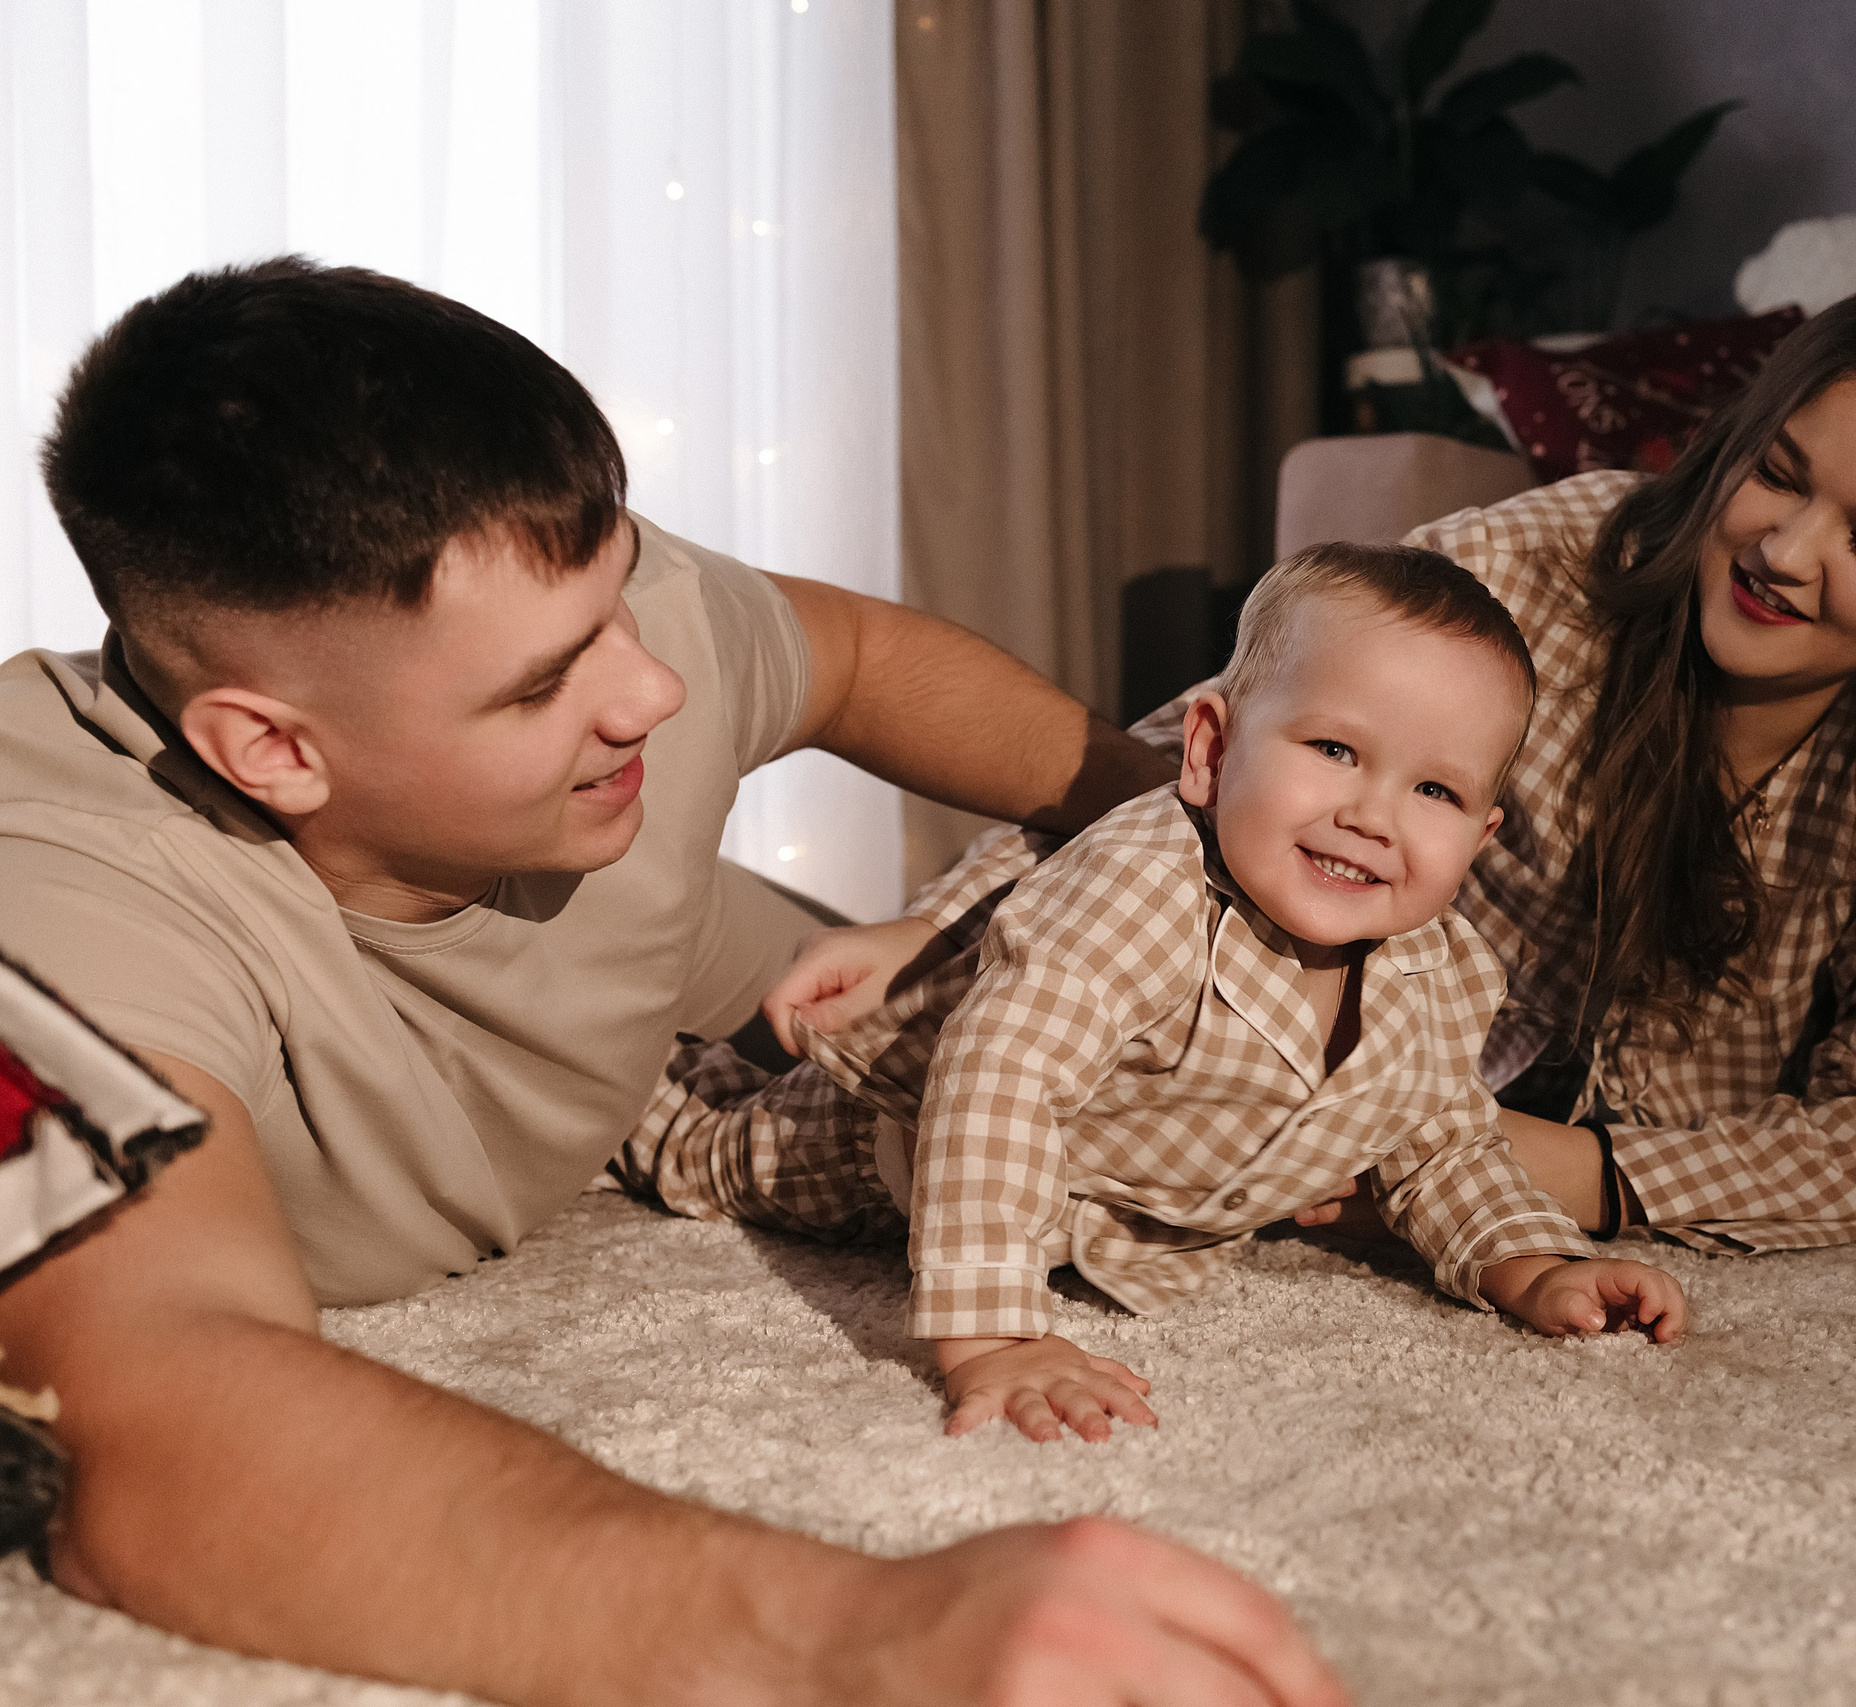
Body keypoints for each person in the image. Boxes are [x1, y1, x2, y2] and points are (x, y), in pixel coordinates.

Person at [0, 260, 1346, 1706]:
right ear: (273, 750)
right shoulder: (67, 889)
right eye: (538, 687)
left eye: (621, 594)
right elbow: (151, 1416)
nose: (648, 691)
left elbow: (858, 659)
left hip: (710, 988)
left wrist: (1198, 836)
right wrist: (855, 1637)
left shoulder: (605, 629)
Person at [811, 267, 1856, 1262]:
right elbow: (1197, 759)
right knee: (865, 1089)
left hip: (1505, 1137)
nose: (1786, 549)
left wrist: (1538, 1175)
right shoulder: (1543, 570)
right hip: (1270, 1053)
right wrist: (940, 927)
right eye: (1777, 475)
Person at [621, 545, 1688, 1444]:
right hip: (899, 1140)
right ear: (1211, 750)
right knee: (705, 1154)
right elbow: (1000, 1079)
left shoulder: (1443, 973)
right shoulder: (1142, 883)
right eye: (1332, 749)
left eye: (1435, 791)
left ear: (1481, 836)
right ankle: (611, 1062)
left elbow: (1438, 1141)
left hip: (1114, 1202)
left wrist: (1534, 1264)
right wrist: (995, 1335)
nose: (1374, 813)